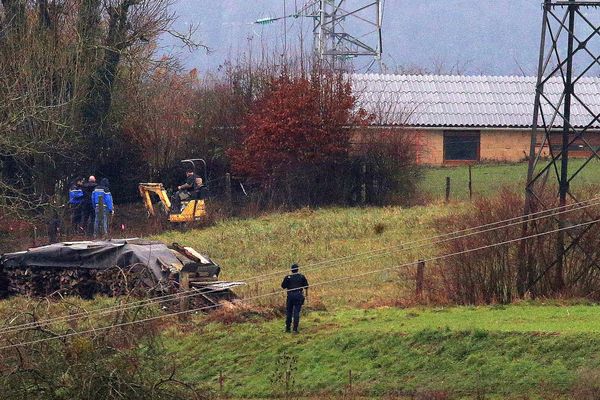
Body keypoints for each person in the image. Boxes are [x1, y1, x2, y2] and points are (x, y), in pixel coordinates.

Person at [281, 263, 309, 333]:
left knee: (289, 312)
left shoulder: (287, 277)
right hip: (299, 294)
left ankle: (287, 328)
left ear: (291, 270)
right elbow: (306, 286)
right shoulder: (301, 276)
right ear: (298, 269)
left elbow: (283, 286)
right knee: (296, 311)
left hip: (290, 295)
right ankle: (295, 329)